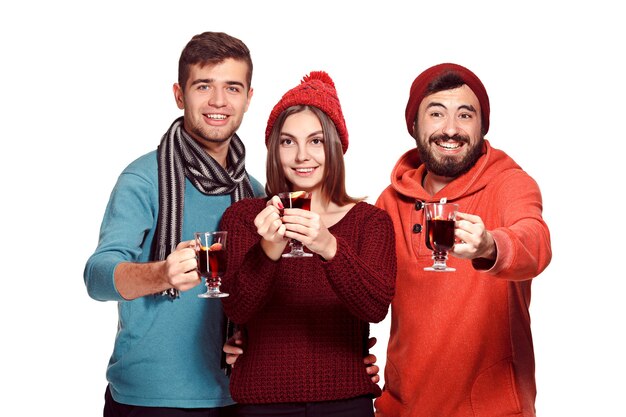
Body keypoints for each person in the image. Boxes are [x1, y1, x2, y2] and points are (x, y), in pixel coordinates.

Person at [83, 31, 265, 416]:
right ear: (179, 95)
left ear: (249, 98)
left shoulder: (254, 192)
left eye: (232, 87)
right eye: (204, 86)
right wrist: (162, 273)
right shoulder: (144, 178)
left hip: (237, 395)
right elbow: (97, 278)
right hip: (149, 399)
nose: (218, 101)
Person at [374, 63, 552, 417]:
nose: (451, 129)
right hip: (403, 409)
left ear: (483, 126)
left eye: (465, 115)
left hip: (491, 410)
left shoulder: (509, 184)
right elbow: (364, 292)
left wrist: (491, 246)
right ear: (414, 125)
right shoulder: (389, 202)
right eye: (436, 113)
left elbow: (535, 240)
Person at [218, 71, 397, 417]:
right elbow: (236, 309)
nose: (302, 156)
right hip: (260, 404)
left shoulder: (370, 222)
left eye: (315, 141)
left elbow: (376, 307)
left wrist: (329, 246)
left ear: (334, 146)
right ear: (274, 149)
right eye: (288, 142)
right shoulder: (244, 218)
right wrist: (268, 250)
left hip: (346, 402)